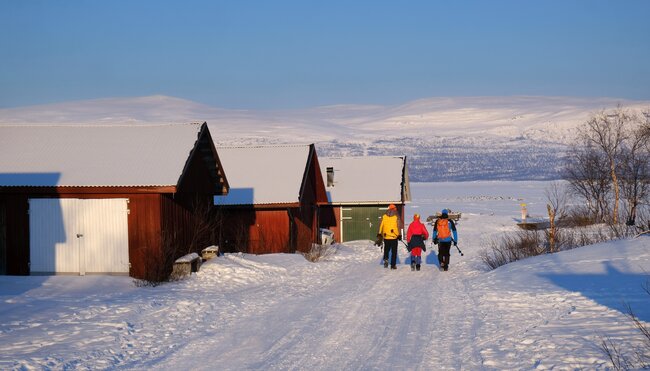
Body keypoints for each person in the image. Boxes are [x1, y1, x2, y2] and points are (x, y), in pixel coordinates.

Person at [378, 204, 401, 269]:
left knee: (386, 249)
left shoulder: (384, 216)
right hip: (394, 236)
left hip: (386, 236)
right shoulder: (396, 216)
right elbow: (398, 226)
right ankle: (393, 265)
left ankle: (386, 259)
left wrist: (379, 233)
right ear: (394, 208)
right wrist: (399, 235)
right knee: (394, 251)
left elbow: (381, 225)